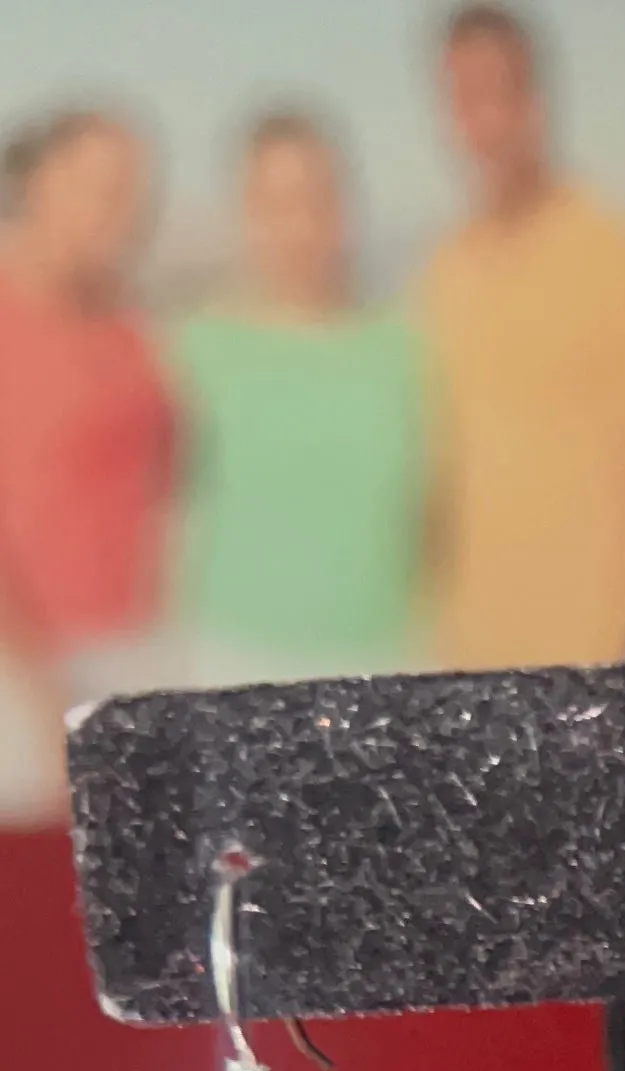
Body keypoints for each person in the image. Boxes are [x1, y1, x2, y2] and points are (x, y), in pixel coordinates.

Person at [422, 4, 625, 669]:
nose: (483, 122)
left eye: (498, 94)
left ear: (536, 101)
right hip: (470, 660)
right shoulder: (440, 275)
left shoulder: (619, 254)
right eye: (463, 98)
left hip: (595, 656)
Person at [172, 115, 426, 686]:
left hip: (386, 670)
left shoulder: (407, 346)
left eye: (318, 198)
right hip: (232, 672)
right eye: (275, 204)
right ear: (245, 214)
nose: (301, 225)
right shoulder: (196, 351)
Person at [0, 111, 176, 821]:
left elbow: (164, 491)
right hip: (23, 676)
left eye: (133, 192)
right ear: (41, 184)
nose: (119, 212)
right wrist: (40, 692)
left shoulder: (135, 333)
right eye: (97, 186)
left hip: (135, 665)